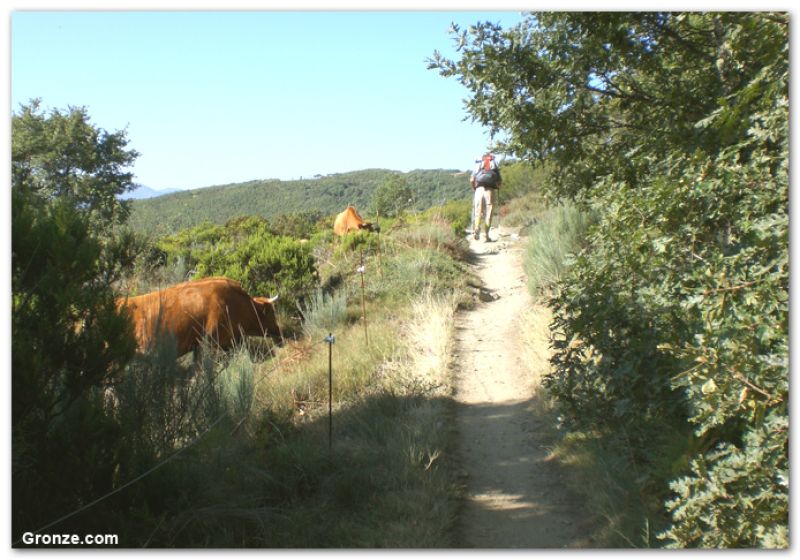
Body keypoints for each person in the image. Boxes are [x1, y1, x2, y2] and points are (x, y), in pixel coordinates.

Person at [470, 153, 502, 242]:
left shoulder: (478, 166)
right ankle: (486, 236)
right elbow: (499, 182)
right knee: (489, 213)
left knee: (478, 211)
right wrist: (498, 187)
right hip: (490, 190)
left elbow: (472, 179)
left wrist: (474, 188)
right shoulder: (494, 166)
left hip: (479, 190)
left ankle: (476, 227)